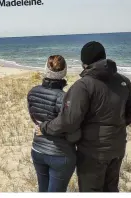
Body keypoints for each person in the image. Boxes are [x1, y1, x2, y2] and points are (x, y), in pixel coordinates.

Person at [37, 41, 131, 192]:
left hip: (92, 152)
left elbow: (69, 121)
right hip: (117, 147)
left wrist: (45, 127)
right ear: (104, 57)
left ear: (84, 63)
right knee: (111, 189)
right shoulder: (123, 81)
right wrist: (115, 128)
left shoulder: (83, 85)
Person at [27, 55, 81, 192]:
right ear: (64, 73)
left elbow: (34, 118)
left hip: (38, 149)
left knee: (43, 191)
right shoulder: (65, 98)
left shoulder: (32, 92)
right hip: (60, 154)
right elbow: (70, 126)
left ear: (46, 69)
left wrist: (42, 127)